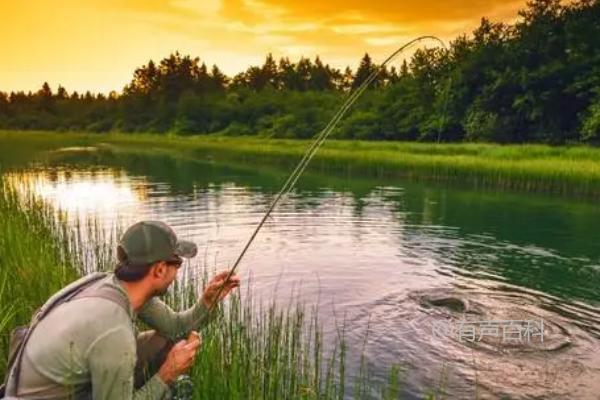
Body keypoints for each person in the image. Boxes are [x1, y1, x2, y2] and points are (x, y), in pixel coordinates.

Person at [4, 220, 240, 399]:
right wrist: (168, 373)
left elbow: (175, 328)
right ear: (159, 269)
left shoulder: (111, 284)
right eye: (176, 263)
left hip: (44, 385)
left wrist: (208, 302)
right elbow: (115, 339)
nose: (178, 272)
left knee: (162, 342)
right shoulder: (113, 329)